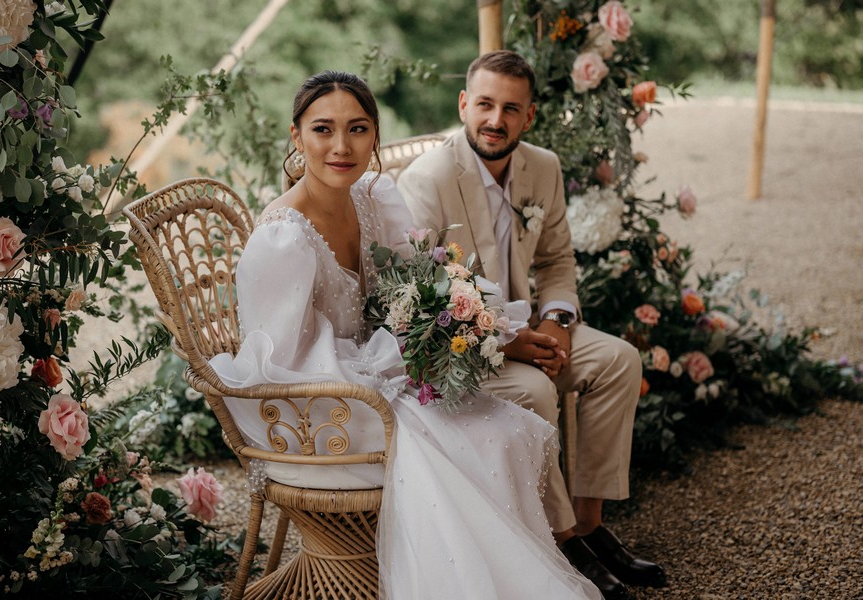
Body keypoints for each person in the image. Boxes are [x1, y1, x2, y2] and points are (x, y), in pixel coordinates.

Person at [209, 70, 602, 600]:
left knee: (506, 432)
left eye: (359, 129)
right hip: (317, 407)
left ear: (375, 136)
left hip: (374, 370)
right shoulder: (282, 238)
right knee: (480, 437)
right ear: (296, 136)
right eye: (323, 130)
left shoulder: (372, 198)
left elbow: (424, 280)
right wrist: (386, 369)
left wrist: (466, 326)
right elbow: (277, 367)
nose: (341, 147)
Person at [397, 50, 667, 600]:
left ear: (530, 116)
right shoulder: (426, 179)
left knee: (619, 360)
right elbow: (422, 297)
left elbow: (557, 262)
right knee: (536, 387)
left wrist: (559, 321)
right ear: (464, 104)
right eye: (485, 105)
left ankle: (590, 524)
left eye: (510, 109)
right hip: (460, 342)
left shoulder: (542, 167)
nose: (495, 120)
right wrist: (509, 342)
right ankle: (560, 540)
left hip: (532, 325)